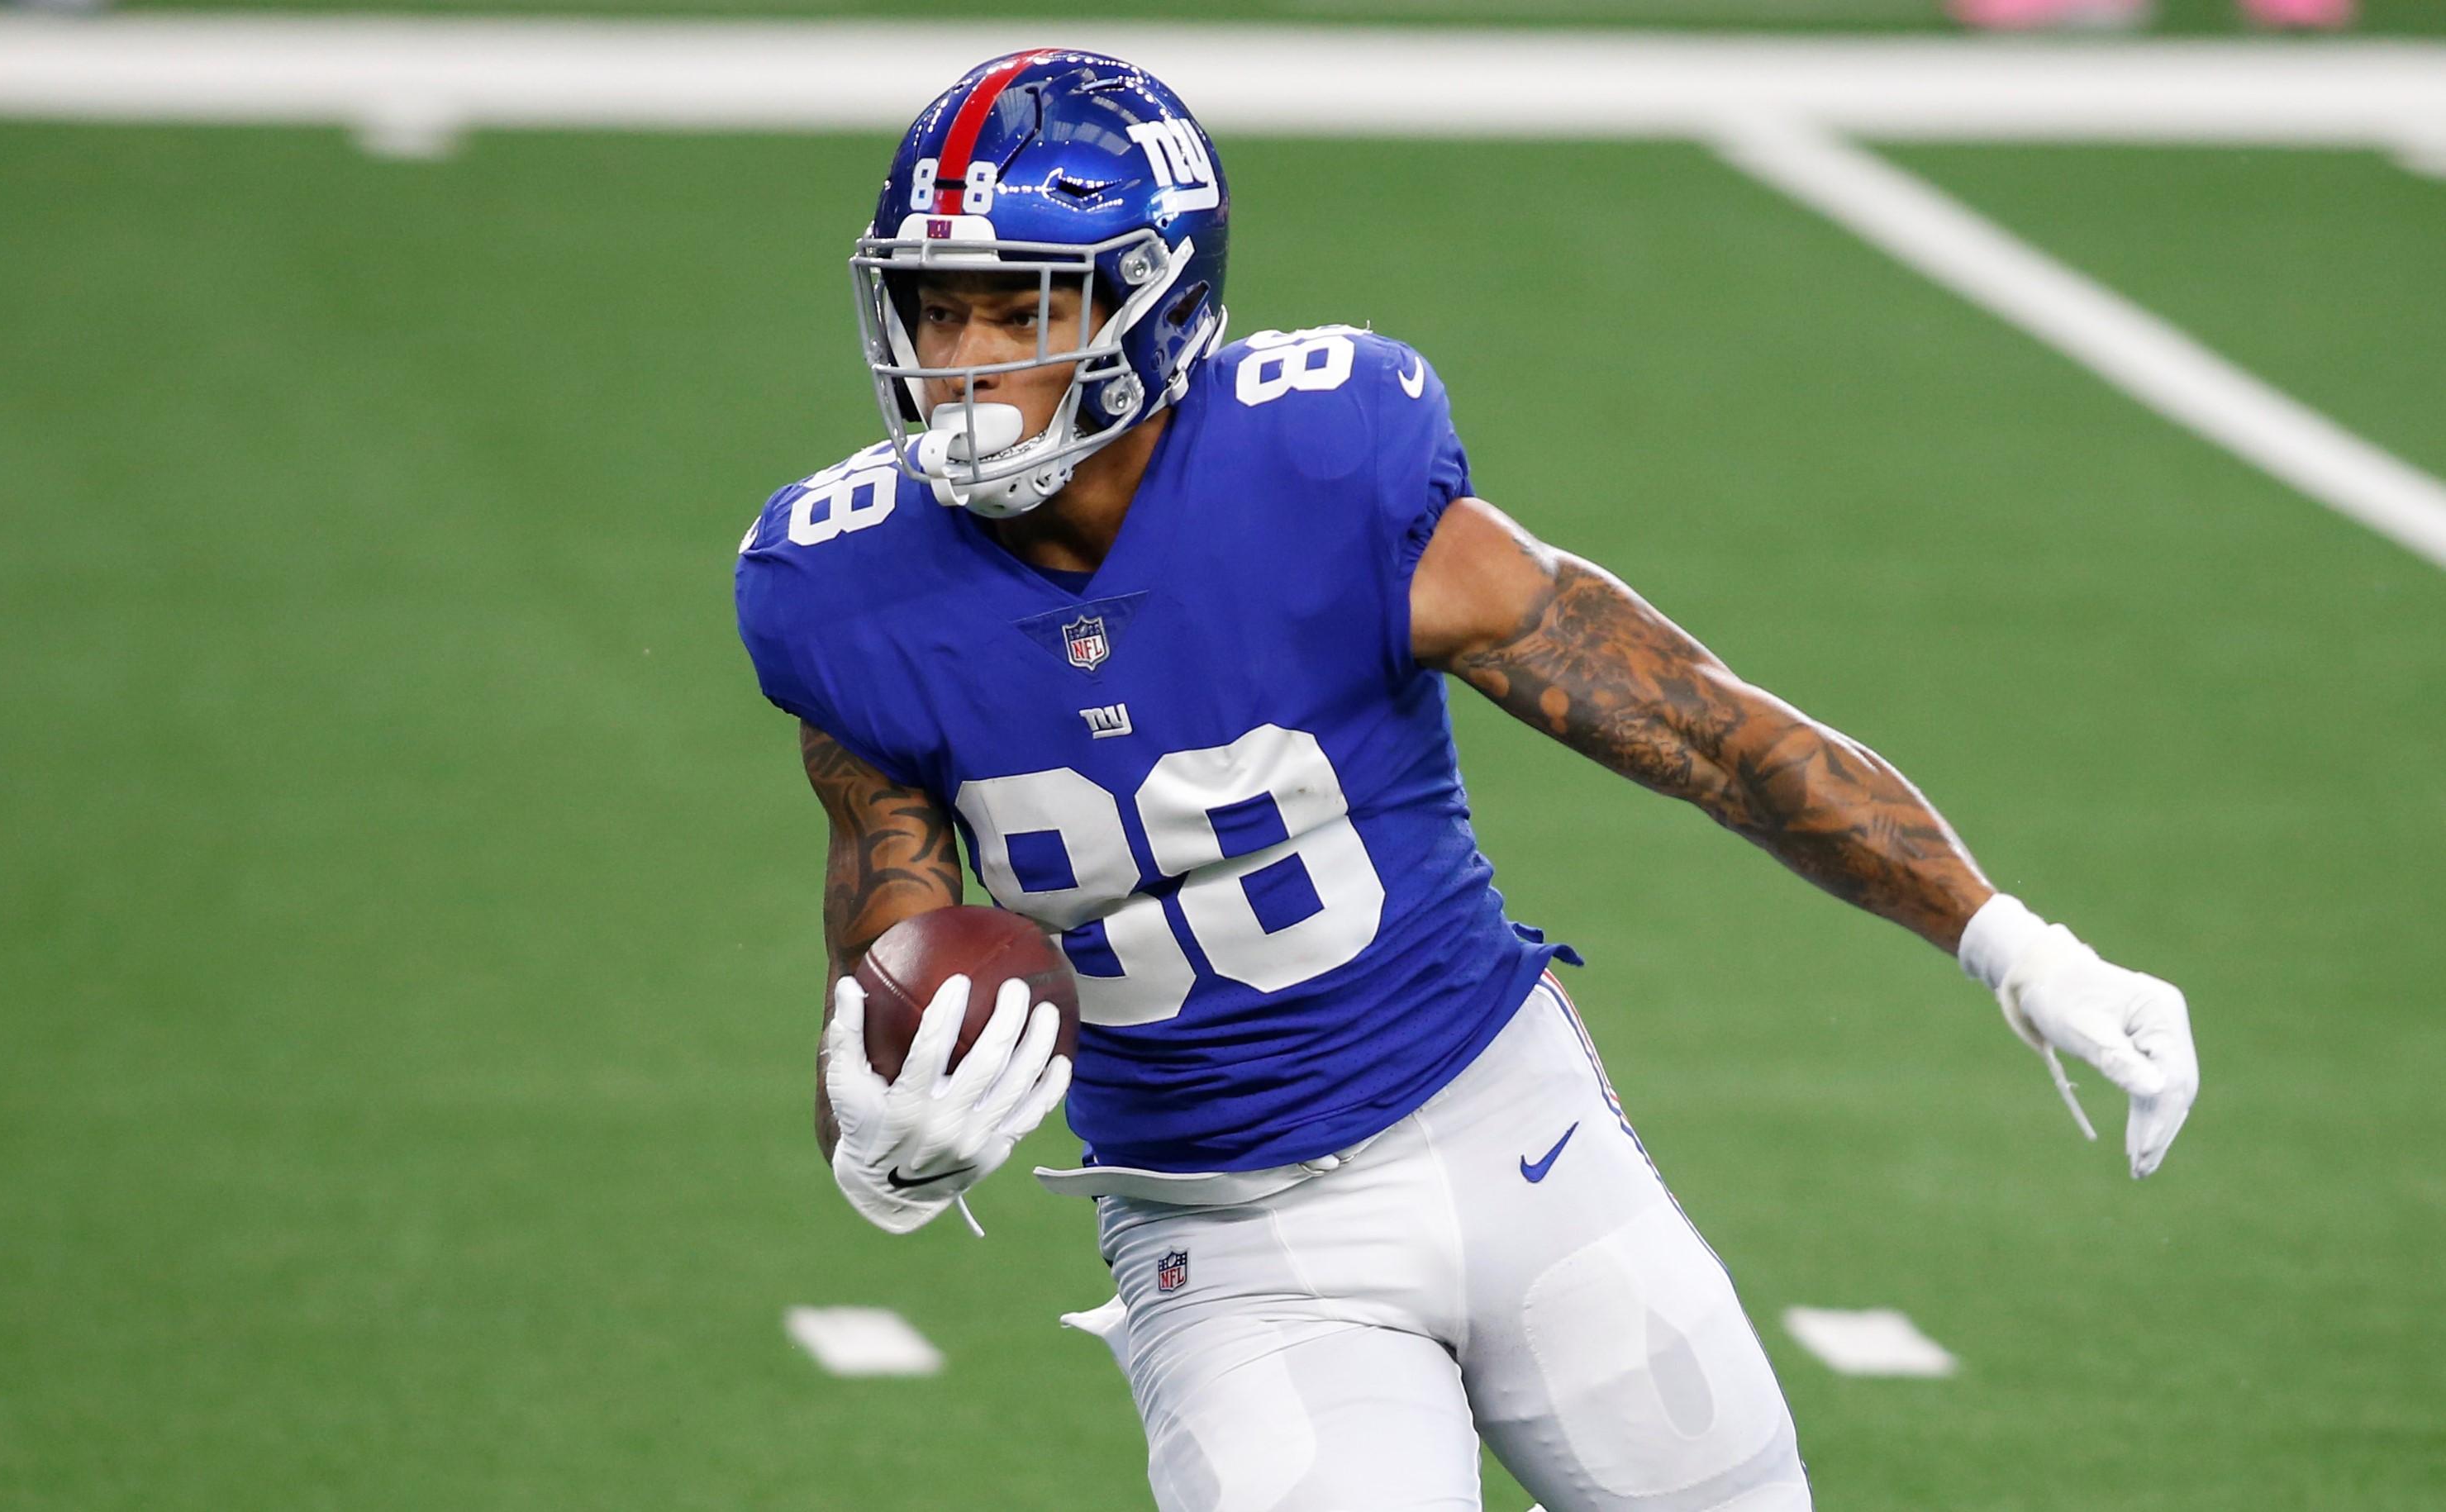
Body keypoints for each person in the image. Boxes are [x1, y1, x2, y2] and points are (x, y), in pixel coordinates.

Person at [733, 50, 2200, 1512]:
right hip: (1227, 1241)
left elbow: (1705, 731)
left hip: (1510, 1134)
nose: (963, 358)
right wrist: (877, 1135)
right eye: (938, 306)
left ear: (1153, 301)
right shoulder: (840, 590)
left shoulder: (1320, 469)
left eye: (1020, 305)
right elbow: (889, 956)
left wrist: (2008, 940)